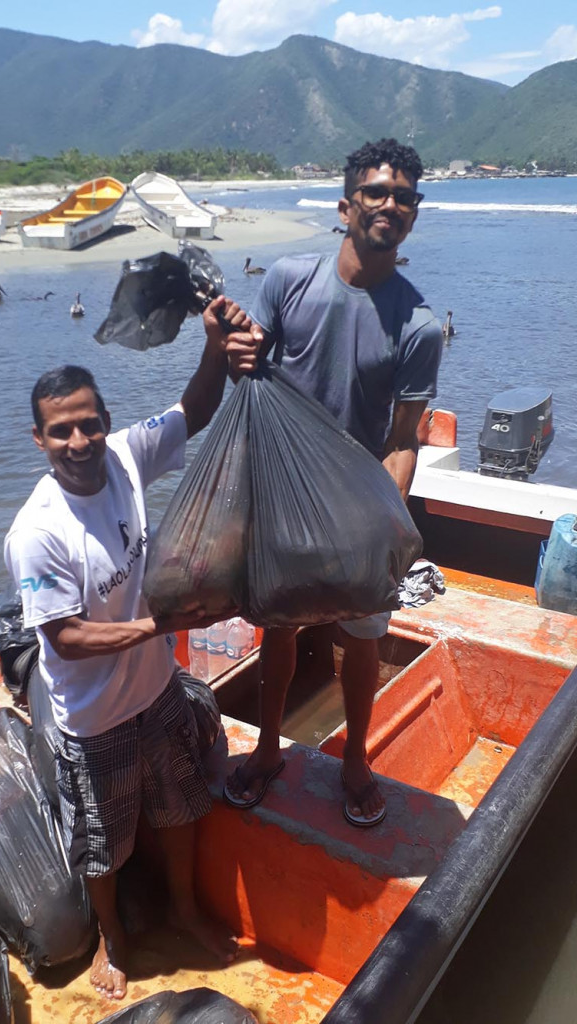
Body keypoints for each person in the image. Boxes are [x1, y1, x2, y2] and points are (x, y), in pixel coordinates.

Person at [4, 296, 249, 1000]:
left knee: (180, 811)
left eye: (88, 424)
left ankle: (183, 910)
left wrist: (211, 347)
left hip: (158, 695)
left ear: (106, 421)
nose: (79, 442)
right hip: (94, 720)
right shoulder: (39, 530)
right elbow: (66, 638)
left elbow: (191, 412)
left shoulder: (125, 457)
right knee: (104, 845)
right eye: (61, 432)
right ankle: (112, 938)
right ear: (38, 439)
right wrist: (159, 626)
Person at [223, 138, 443, 826]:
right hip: (283, 496)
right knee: (279, 630)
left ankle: (355, 759)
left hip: (358, 503)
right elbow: (249, 378)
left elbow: (403, 438)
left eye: (404, 197)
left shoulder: (421, 324)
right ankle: (265, 748)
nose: (390, 205)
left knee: (362, 637)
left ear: (415, 214)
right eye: (377, 193)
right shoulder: (289, 280)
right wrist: (230, 348)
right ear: (347, 206)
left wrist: (385, 526)